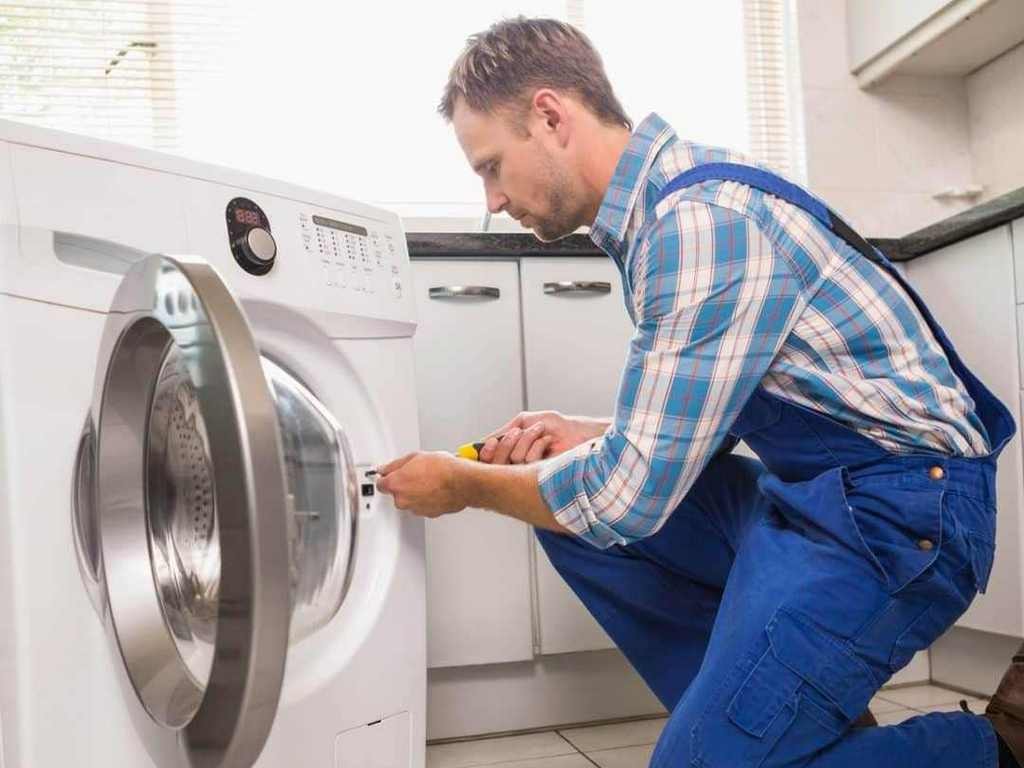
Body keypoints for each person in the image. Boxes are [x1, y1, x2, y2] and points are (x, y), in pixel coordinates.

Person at [374, 16, 1024, 768]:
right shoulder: (658, 212)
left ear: (550, 117)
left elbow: (628, 497)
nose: (491, 199)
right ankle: (784, 726)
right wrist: (592, 433)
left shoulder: (699, 222)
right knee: (570, 522)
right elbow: (713, 408)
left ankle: (999, 743)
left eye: (491, 166)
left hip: (903, 517)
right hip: (815, 497)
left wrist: (463, 484)